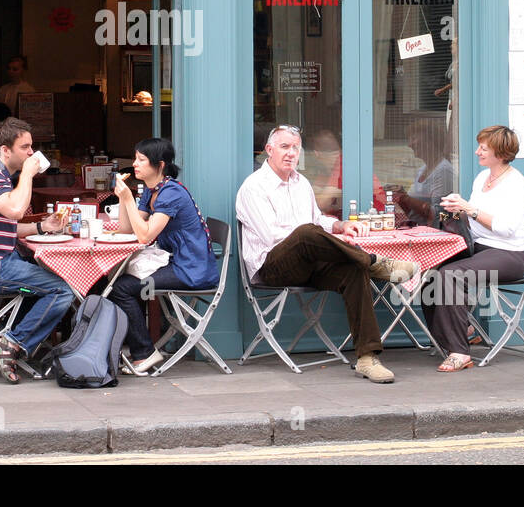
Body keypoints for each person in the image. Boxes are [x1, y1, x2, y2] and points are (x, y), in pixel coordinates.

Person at [235, 126, 418, 383]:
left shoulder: (301, 183)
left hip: (308, 262)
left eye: (295, 148)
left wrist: (339, 226)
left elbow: (317, 219)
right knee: (306, 233)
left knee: (354, 271)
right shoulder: (254, 187)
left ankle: (367, 357)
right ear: (269, 150)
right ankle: (375, 263)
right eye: (284, 147)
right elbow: (273, 236)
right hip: (271, 266)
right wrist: (318, 235)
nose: (290, 153)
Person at [0, 117, 72, 383]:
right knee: (62, 290)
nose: (32, 153)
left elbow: (6, 226)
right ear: (5, 151)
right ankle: (12, 342)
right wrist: (29, 175)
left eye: (32, 147)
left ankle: (17, 343)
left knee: (45, 284)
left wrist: (42, 227)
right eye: (25, 147)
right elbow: (16, 211)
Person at [423, 125, 524, 372]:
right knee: (430, 275)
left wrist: (469, 209)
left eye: (483, 148)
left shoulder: (516, 184)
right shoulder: (483, 178)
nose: (477, 151)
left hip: (509, 254)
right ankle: (458, 333)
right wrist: (457, 209)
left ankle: (460, 352)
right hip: (480, 248)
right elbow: (475, 219)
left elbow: (505, 229)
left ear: (501, 153)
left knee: (451, 275)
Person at [106, 138, 218, 375]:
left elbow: (144, 236)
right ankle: (136, 346)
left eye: (141, 160)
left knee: (122, 288)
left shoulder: (171, 194)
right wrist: (122, 198)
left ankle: (144, 352)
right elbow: (128, 229)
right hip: (173, 261)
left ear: (160, 164)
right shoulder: (151, 190)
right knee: (117, 281)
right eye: (135, 158)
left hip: (191, 268)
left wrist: (127, 198)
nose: (134, 164)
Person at [390, 118, 456, 227]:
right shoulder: (422, 170)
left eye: (414, 138)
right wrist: (401, 197)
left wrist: (406, 198)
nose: (409, 144)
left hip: (434, 234)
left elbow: (437, 214)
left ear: (430, 140)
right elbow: (413, 212)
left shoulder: (444, 171)